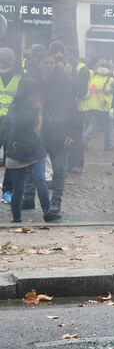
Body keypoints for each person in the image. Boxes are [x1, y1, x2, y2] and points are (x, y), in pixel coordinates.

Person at [20, 45, 81, 216]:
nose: (50, 65)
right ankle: (29, 196)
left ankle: (56, 203)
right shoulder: (31, 82)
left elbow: (72, 108)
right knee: (32, 166)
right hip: (38, 132)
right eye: (46, 62)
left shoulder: (62, 82)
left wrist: (72, 132)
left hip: (60, 133)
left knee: (59, 170)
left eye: (52, 62)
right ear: (38, 64)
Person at [5, 46, 61, 222]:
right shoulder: (15, 107)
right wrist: (33, 112)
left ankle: (47, 212)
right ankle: (16, 218)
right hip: (17, 151)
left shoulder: (39, 106)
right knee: (19, 188)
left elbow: (48, 126)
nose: (36, 96)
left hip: (36, 150)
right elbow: (17, 123)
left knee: (40, 180)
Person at [0, 47, 22, 204]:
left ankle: (7, 190)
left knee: (9, 156)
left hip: (11, 121)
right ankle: (7, 190)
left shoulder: (20, 77)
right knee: (9, 156)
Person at [81, 59, 114, 152]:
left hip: (93, 104)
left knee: (94, 124)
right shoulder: (110, 79)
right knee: (107, 126)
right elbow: (111, 91)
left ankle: (84, 142)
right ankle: (108, 145)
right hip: (104, 105)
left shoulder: (95, 77)